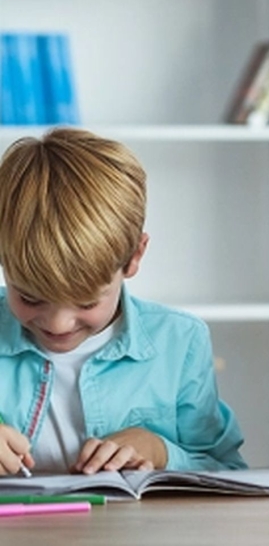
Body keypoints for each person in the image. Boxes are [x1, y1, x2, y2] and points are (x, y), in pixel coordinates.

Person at [0, 129, 246, 476]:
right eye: (29, 297)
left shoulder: (179, 343)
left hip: (131, 531)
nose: (57, 324)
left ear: (133, 257)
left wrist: (160, 451)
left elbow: (229, 471)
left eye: (85, 302)